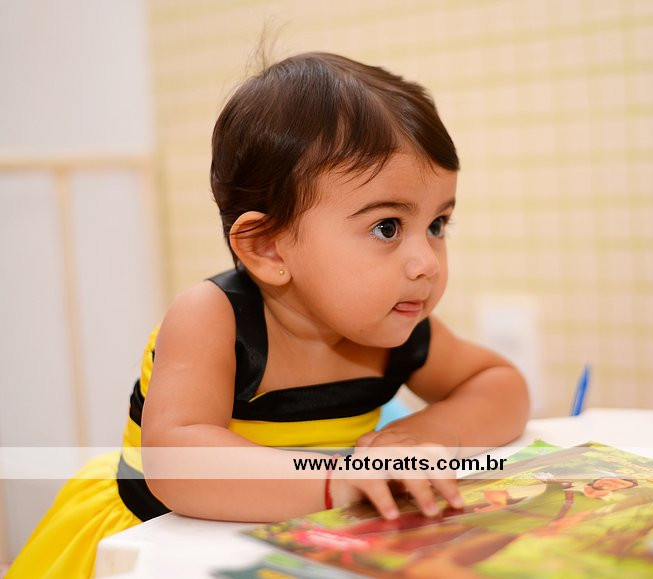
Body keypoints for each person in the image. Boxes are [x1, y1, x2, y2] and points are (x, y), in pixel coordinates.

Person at [7, 51, 529, 578]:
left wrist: (428, 434)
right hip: (159, 539)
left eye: (437, 225)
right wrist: (334, 480)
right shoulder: (214, 318)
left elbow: (500, 384)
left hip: (298, 537)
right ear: (269, 247)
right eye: (387, 227)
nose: (427, 263)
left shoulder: (397, 327)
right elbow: (176, 463)